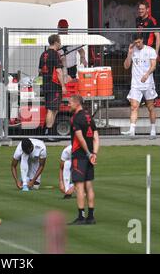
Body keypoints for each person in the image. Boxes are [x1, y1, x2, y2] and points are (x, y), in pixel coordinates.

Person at [68, 95, 99, 225]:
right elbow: (96, 137)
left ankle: (81, 216)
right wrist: (94, 154)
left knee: (79, 187)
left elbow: (80, 139)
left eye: (70, 103)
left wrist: (87, 154)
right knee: (89, 186)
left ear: (76, 103)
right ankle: (91, 217)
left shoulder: (75, 118)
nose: (68, 105)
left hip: (80, 156)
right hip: (90, 156)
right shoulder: (88, 116)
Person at [121, 33, 158, 139]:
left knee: (150, 107)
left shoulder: (150, 50)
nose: (137, 44)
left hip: (148, 83)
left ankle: (153, 130)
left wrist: (146, 75)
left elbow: (153, 66)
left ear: (142, 40)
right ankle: (132, 131)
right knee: (133, 107)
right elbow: (126, 66)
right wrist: (129, 53)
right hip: (136, 84)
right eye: (135, 42)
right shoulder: (133, 50)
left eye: (139, 42)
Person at [38, 34, 67, 140]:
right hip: (55, 86)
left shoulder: (43, 54)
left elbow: (40, 71)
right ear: (55, 42)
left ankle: (50, 132)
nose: (60, 44)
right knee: (51, 109)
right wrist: (63, 86)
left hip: (46, 85)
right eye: (59, 42)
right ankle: (48, 133)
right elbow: (59, 71)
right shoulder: (56, 55)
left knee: (53, 109)